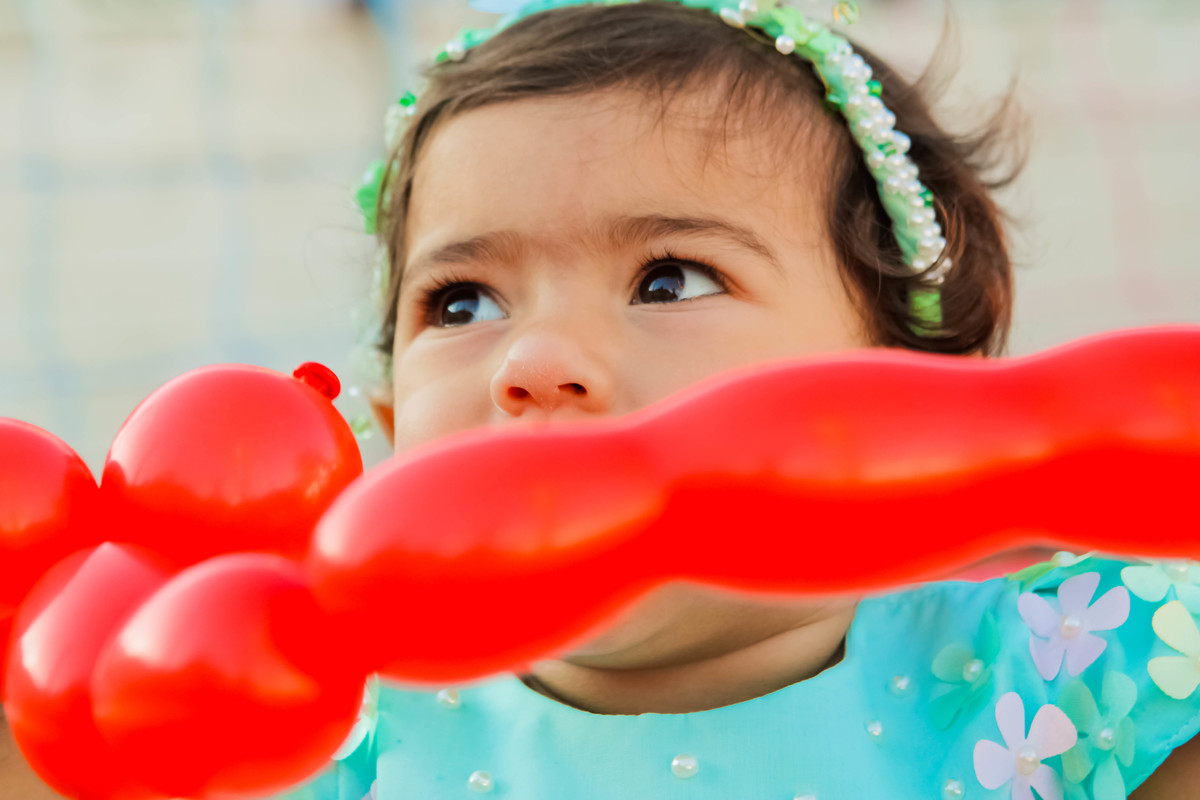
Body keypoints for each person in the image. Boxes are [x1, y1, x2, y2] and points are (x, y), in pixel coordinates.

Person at [287, 1, 1200, 798]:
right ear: (395, 429)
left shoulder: (1073, 674)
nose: (535, 360)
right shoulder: (320, 732)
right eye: (462, 303)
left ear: (912, 405)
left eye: (670, 280)